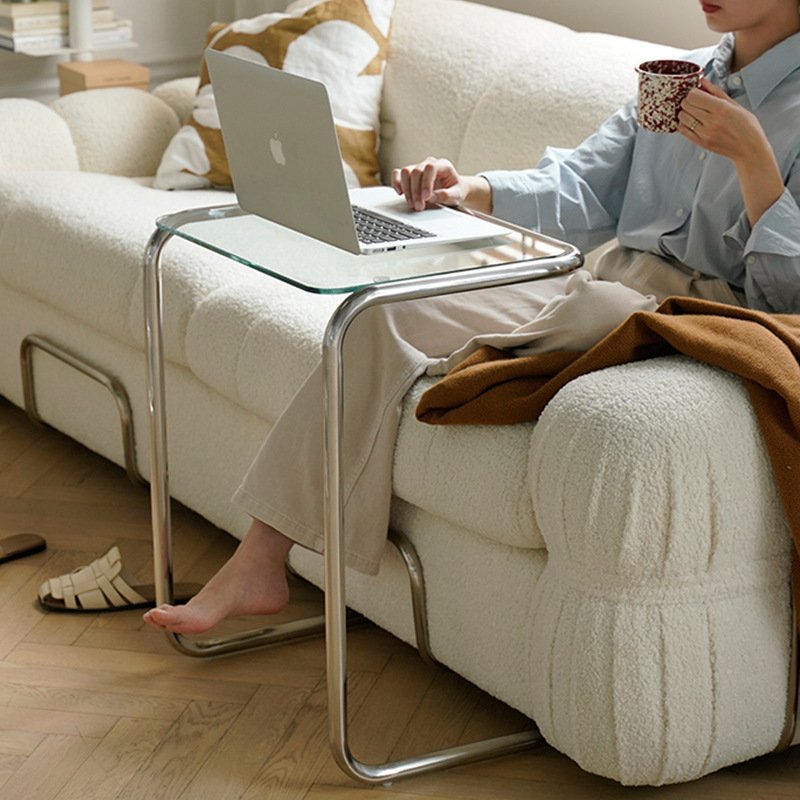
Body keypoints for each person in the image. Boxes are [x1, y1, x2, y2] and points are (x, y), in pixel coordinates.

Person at [144, 0, 800, 634]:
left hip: (702, 315)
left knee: (595, 303)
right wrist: (468, 190)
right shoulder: (681, 75)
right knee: (380, 313)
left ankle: (466, 363)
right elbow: (580, 186)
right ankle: (260, 560)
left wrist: (753, 159)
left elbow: (786, 299)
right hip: (603, 285)